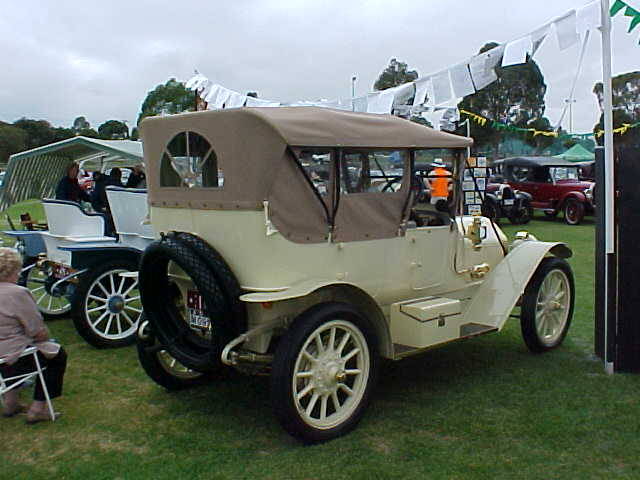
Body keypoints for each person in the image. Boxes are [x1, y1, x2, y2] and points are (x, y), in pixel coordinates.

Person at [0, 247, 67, 424]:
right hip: (13, 353)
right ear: (13, 271)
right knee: (57, 354)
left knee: (13, 351)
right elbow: (37, 330)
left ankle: (10, 402)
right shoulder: (17, 293)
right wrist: (45, 339)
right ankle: (38, 409)